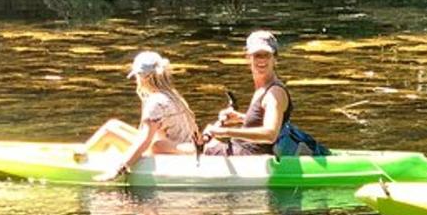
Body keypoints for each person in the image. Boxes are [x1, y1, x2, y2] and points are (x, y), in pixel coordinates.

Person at [89, 51, 201, 182]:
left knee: (109, 133)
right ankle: (83, 155)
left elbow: (145, 140)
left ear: (144, 77)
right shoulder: (172, 95)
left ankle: (82, 161)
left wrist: (119, 170)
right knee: (113, 125)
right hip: (182, 145)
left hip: (171, 153)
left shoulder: (155, 102)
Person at [201, 30, 293, 156]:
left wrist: (225, 132)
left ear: (275, 58)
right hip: (243, 150)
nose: (261, 60)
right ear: (247, 58)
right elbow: (268, 120)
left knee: (203, 145)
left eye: (266, 55)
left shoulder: (274, 93)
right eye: (256, 55)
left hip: (252, 158)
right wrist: (240, 118)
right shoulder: (263, 88)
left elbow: (271, 134)